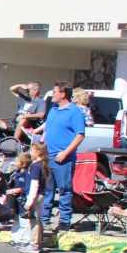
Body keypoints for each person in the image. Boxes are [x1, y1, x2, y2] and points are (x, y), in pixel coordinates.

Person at [42, 82, 86, 231]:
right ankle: (44, 220)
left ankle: (64, 222)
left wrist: (65, 153)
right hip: (47, 156)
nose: (52, 95)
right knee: (47, 190)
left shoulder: (75, 112)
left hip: (63, 158)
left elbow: (80, 135)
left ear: (63, 94)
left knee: (64, 190)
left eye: (55, 92)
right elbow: (47, 128)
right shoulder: (53, 110)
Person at [5, 142, 49, 253]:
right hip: (40, 195)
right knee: (36, 219)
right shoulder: (39, 165)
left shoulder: (35, 166)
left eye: (32, 150)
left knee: (34, 220)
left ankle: (34, 244)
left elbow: (34, 185)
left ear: (38, 152)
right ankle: (38, 242)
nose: (30, 153)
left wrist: (29, 201)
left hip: (35, 195)